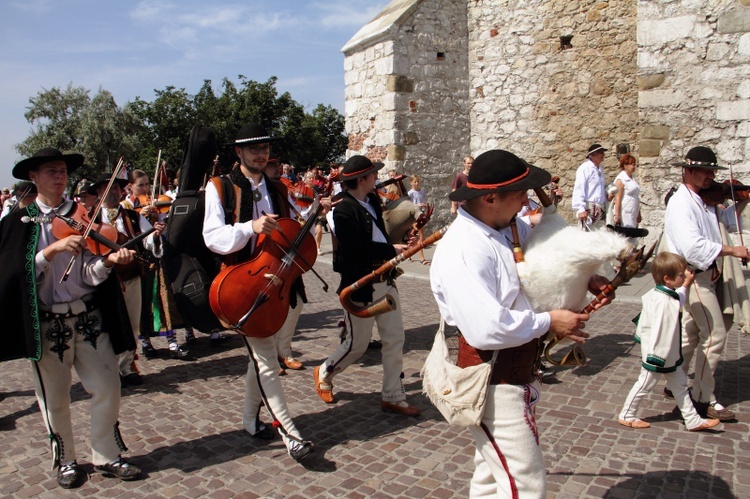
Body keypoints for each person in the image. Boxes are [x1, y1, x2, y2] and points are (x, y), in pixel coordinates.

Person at [430, 149, 610, 497]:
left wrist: (587, 277)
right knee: (525, 485)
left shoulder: (501, 227)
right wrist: (549, 322)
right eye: (519, 194)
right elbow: (486, 328)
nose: (526, 201)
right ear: (490, 197)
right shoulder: (464, 248)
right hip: (491, 381)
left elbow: (548, 255)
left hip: (511, 373)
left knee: (489, 479)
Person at [0, 148, 141, 489]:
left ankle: (106, 454)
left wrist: (108, 263)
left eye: (62, 170)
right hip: (48, 323)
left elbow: (90, 273)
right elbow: (12, 278)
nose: (59, 176)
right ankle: (65, 460)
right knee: (55, 397)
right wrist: (49, 252)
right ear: (33, 178)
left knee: (108, 385)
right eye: (51, 171)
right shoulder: (16, 224)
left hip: (88, 317)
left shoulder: (83, 216)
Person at [202, 123, 314, 462]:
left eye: (264, 148)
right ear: (239, 152)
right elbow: (213, 237)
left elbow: (291, 232)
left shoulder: (278, 187)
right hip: (241, 283)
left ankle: (250, 420)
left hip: (277, 282)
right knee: (266, 359)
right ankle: (290, 432)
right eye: (253, 148)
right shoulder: (219, 187)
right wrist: (249, 227)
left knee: (260, 354)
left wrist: (308, 219)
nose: (260, 153)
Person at [312, 155, 420, 417]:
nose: (376, 178)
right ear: (362, 180)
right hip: (360, 285)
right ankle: (325, 371)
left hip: (385, 281)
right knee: (356, 345)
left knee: (395, 340)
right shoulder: (343, 210)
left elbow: (378, 232)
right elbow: (354, 248)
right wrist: (390, 248)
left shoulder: (371, 199)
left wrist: (402, 238)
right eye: (372, 175)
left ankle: (393, 395)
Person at [664, 145, 750, 421]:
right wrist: (732, 250)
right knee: (714, 335)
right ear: (687, 170)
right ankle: (700, 398)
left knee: (692, 332)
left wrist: (742, 202)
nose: (710, 176)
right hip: (694, 277)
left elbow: (723, 222)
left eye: (712, 171)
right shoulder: (681, 202)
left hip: (709, 276)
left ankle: (673, 382)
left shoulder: (702, 199)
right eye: (704, 171)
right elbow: (692, 248)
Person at [618, 252, 720, 432]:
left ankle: (692, 420)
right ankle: (627, 414)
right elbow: (658, 331)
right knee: (644, 385)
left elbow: (678, 299)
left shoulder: (662, 293)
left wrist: (686, 284)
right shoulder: (663, 302)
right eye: (681, 275)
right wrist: (657, 358)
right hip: (659, 355)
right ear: (667, 278)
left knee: (680, 387)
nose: (684, 277)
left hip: (670, 356)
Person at [89, 174, 165, 385]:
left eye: (116, 189)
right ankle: (108, 368)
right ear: (98, 193)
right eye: (107, 189)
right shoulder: (90, 218)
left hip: (130, 276)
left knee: (132, 323)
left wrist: (155, 236)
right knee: (107, 324)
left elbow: (147, 238)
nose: (113, 192)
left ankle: (127, 366)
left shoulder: (132, 216)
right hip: (104, 278)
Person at [264, 157, 306, 375]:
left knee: (295, 302)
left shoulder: (282, 188)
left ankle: (284, 350)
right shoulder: (257, 188)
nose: (277, 168)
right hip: (267, 255)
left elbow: (292, 217)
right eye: (272, 165)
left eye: (278, 165)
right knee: (269, 305)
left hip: (287, 252)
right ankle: (270, 355)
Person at [572, 144, 608, 231]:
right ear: (592, 155)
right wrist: (580, 209)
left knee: (602, 236)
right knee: (586, 237)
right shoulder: (585, 168)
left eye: (603, 152)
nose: (603, 155)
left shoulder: (600, 169)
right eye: (600, 153)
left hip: (600, 208)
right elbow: (579, 188)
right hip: (589, 207)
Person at [613, 153, 641, 229]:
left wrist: (638, 213)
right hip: (625, 211)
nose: (634, 166)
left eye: (634, 164)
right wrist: (617, 216)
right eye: (632, 164)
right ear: (625, 165)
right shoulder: (621, 179)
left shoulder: (634, 179)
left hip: (633, 211)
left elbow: (636, 196)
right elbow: (617, 198)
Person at [407, 174, 429, 264]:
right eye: (414, 181)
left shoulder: (422, 192)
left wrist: (425, 205)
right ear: (411, 183)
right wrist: (416, 205)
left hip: (421, 214)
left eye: (418, 181)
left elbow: (424, 201)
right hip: (414, 216)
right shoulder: (410, 193)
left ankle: (409, 253)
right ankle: (421, 258)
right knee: (418, 236)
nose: (416, 183)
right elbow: (408, 205)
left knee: (418, 235)